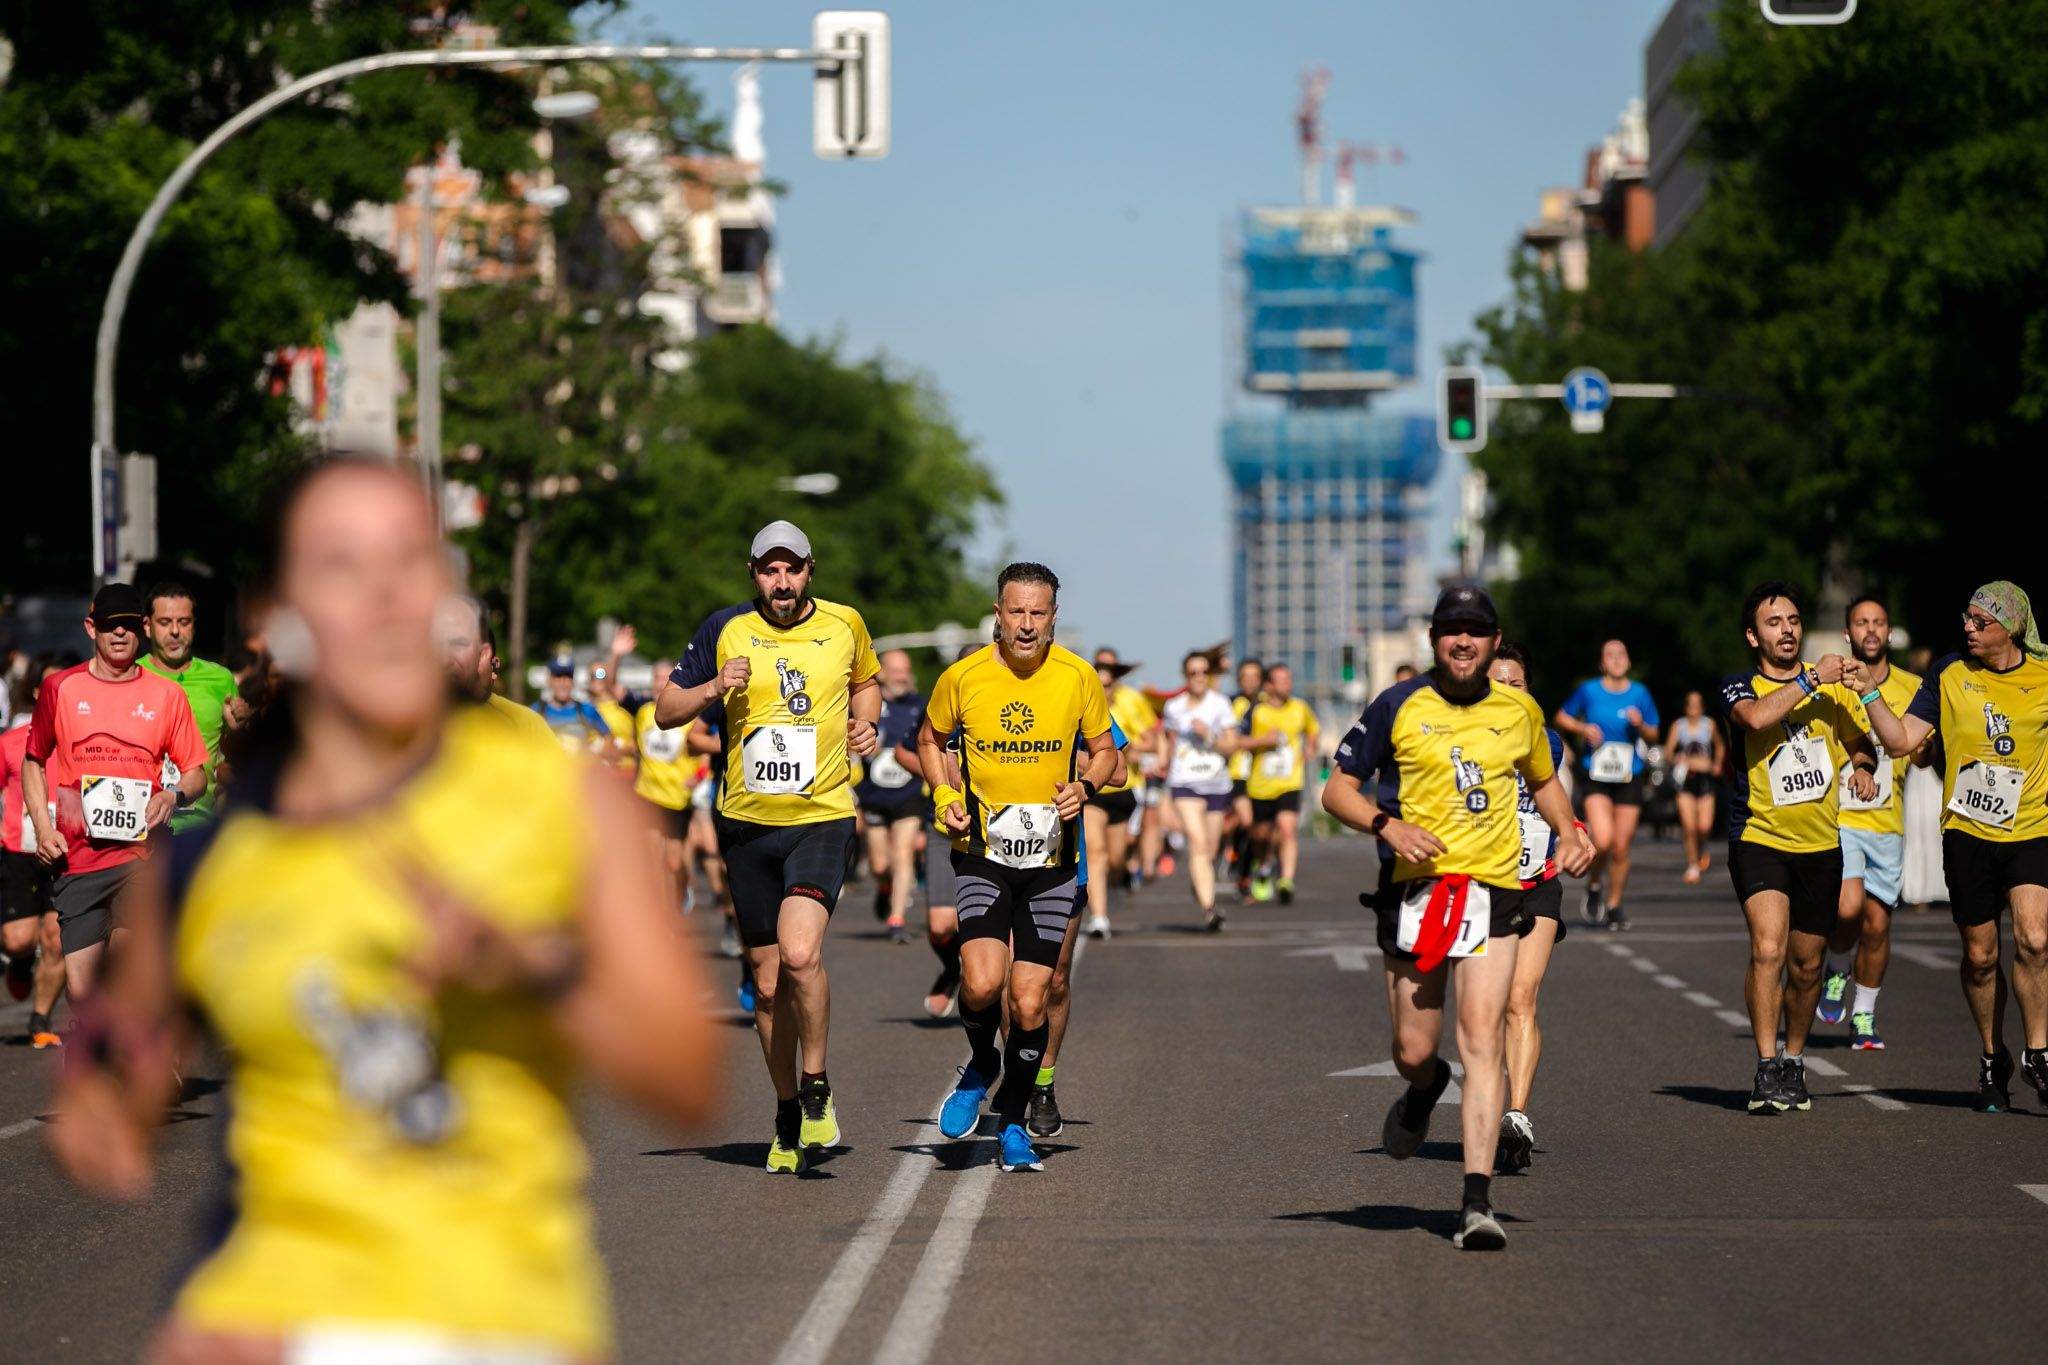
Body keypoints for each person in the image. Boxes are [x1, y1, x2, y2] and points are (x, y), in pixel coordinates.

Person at [48, 458, 721, 1362]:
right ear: (276, 614)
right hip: (274, 1314)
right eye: (340, 565)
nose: (384, 596)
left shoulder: (554, 801)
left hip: (493, 1317)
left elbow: (688, 1077)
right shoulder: (219, 856)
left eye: (411, 560)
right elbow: (112, 1050)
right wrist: (100, 1103)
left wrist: (529, 964)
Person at [1323, 586, 1591, 1249]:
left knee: (1482, 1037)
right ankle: (1425, 1088)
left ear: (1495, 640)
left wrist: (1569, 827)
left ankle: (1476, 1200)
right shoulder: (1399, 704)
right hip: (1416, 890)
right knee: (1416, 1049)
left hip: (1495, 889)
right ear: (1434, 639)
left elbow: (1543, 778)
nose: (1464, 640)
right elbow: (1336, 790)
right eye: (1451, 629)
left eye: (1477, 630)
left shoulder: (1518, 710)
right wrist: (1389, 824)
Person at [657, 519, 881, 1174]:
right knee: (764, 979)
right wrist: (711, 688)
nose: (780, 581)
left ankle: (815, 1086)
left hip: (822, 816)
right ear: (753, 574)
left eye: (791, 568)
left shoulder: (845, 624)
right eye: (767, 569)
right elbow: (666, 708)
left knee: (800, 952)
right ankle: (786, 1108)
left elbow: (866, 682)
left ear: (810, 569)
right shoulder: (723, 629)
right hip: (746, 827)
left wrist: (864, 723)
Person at [921, 563, 1115, 1174]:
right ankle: (982, 1063)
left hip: (1052, 863)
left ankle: (1012, 1123)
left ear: (1053, 617)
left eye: (1038, 613)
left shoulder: (1078, 677)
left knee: (1031, 1003)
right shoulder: (964, 677)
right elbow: (930, 739)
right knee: (980, 984)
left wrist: (1086, 785)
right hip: (983, 854)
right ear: (997, 614)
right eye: (1016, 612)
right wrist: (943, 796)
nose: (1026, 625)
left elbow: (1108, 750)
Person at [1849, 581, 2048, 1111]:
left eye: (1980, 621)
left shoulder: (2044, 675)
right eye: (1966, 617)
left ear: (2011, 628)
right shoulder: (1948, 672)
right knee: (1981, 958)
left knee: (2034, 939)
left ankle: (2039, 1051)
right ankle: (1992, 1054)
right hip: (1968, 833)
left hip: (2031, 827)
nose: (1968, 628)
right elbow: (1899, 742)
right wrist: (1870, 691)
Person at [1721, 582, 1878, 1115]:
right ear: (1753, 635)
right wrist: (1812, 678)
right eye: (1773, 622)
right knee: (1769, 947)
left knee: (1808, 964)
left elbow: (1862, 744)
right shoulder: (1739, 685)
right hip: (1759, 837)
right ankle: (1766, 1066)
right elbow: (1756, 719)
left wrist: (1860, 769)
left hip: (1820, 843)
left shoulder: (1834, 695)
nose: (1786, 630)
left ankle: (1792, 1058)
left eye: (1792, 620)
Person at [22, 585, 207, 1003]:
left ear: (141, 628)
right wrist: (43, 826)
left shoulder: (166, 695)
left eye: (127, 624)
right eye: (109, 626)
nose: (119, 634)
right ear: (91, 628)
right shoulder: (60, 689)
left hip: (142, 856)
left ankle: (142, 1058)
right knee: (85, 996)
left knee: (128, 987)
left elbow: (196, 774)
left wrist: (173, 795)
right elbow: (34, 759)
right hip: (79, 859)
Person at [1819, 597, 1926, 1050]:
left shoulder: (1913, 686)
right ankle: (1838, 968)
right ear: (1848, 633)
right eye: (1861, 622)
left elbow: (1924, 752)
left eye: (1878, 622)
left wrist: (1925, 749)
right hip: (1841, 818)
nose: (1870, 629)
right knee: (1847, 909)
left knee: (1878, 926)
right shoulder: (1833, 685)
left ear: (1888, 631)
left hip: (1887, 823)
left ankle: (1864, 1015)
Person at [1488, 644, 1576, 1173]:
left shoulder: (1547, 742)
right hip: (1484, 886)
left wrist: (1574, 836)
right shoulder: (1461, 743)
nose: (1504, 691)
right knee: (1490, 1006)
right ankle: (1488, 1106)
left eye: (1514, 684)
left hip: (1537, 879)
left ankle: (1516, 1114)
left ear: (1529, 690)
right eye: (1494, 682)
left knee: (1522, 998)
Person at [1555, 639, 1661, 929]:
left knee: (1621, 846)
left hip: (1629, 775)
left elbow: (1654, 734)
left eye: (1621, 654)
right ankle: (1593, 884)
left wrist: (1640, 725)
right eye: (1609, 655)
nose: (1616, 659)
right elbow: (1562, 716)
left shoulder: (1640, 693)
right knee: (1602, 839)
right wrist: (1583, 727)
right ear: (1602, 663)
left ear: (1627, 661)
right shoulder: (1589, 691)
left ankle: (1614, 904)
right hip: (1596, 774)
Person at [138, 582, 250, 833]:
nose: (175, 631)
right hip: (141, 825)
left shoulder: (221, 679)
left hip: (201, 824)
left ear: (194, 625)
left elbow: (238, 758)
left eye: (184, 622)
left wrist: (241, 728)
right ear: (147, 626)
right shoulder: (132, 675)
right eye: (165, 622)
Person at [1, 664, 66, 1047]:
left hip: (63, 849)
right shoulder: (11, 741)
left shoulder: (81, 740)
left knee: (56, 938)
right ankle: (21, 961)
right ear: (40, 693)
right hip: (19, 850)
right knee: (18, 939)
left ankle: (41, 1018)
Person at [1159, 651, 1241, 931]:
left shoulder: (1219, 705)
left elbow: (1232, 745)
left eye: (1203, 672)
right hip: (1185, 782)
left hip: (1216, 782)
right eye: (1193, 673)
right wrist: (1164, 784)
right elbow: (1169, 743)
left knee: (1210, 848)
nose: (1199, 678)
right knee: (1198, 844)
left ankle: (1201, 884)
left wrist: (1209, 735)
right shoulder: (1174, 706)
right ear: (1185, 676)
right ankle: (1209, 908)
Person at [855, 649, 927, 943]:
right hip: (873, 795)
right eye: (894, 670)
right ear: (881, 671)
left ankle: (897, 920)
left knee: (903, 854)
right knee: (879, 864)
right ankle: (884, 888)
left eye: (904, 670)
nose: (900, 676)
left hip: (908, 794)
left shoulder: (920, 706)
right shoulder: (866, 703)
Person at [1081, 648, 1154, 937]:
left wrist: (1136, 751)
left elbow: (1151, 739)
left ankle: (1120, 876)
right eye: (1098, 682)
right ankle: (1099, 917)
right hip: (1092, 790)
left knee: (1116, 857)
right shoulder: (1083, 707)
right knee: (1095, 851)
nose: (1104, 688)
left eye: (1108, 683)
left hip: (1124, 788)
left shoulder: (1130, 702)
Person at [1241, 662, 1318, 904]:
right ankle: (1263, 868)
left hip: (1289, 782)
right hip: (1260, 785)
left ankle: (1286, 880)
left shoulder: (1300, 708)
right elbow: (1236, 741)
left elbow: (1313, 729)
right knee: (1262, 835)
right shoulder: (1256, 710)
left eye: (1289, 679)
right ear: (1269, 685)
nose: (1287, 685)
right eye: (1281, 680)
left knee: (1287, 829)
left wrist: (1310, 747)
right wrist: (1262, 741)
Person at [635, 656, 701, 914]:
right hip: (647, 793)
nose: (660, 683)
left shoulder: (688, 715)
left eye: (665, 678)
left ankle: (681, 891)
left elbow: (701, 749)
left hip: (677, 797)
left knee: (674, 863)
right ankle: (661, 916)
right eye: (656, 678)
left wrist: (698, 776)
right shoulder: (642, 712)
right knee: (652, 858)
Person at [1664, 691, 1724, 884]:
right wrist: (1678, 759)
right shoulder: (1678, 726)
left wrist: (1717, 763)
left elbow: (1720, 746)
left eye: (1697, 705)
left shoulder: (1709, 725)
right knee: (1689, 826)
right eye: (1690, 705)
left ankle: (1702, 847)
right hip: (1686, 780)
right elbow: (1668, 752)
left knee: (1704, 826)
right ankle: (1692, 865)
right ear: (1686, 707)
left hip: (1705, 778)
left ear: (1702, 707)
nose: (1694, 709)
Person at [1225, 658, 1265, 900]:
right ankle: (1241, 871)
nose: (1250, 681)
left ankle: (1247, 865)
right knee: (1247, 820)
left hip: (1263, 777)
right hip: (1237, 773)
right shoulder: (1231, 704)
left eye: (1254, 676)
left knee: (1260, 830)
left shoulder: (1268, 705)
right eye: (1245, 676)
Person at [533, 658, 615, 758]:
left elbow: (609, 738)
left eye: (567, 677)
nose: (563, 682)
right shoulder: (536, 711)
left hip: (579, 772)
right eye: (558, 676)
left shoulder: (586, 709)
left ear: (573, 681)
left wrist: (595, 755)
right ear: (549, 680)